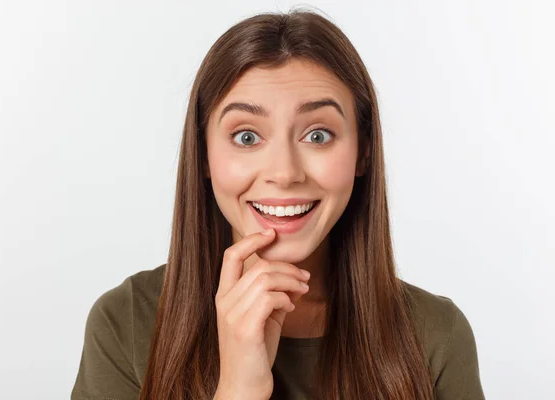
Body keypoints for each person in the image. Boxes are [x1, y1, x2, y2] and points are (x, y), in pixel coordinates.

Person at [71, 9, 485, 400]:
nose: (285, 173)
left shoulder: (434, 335)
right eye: (247, 137)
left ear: (363, 153)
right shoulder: (126, 322)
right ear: (203, 156)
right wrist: (238, 388)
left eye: (318, 135)